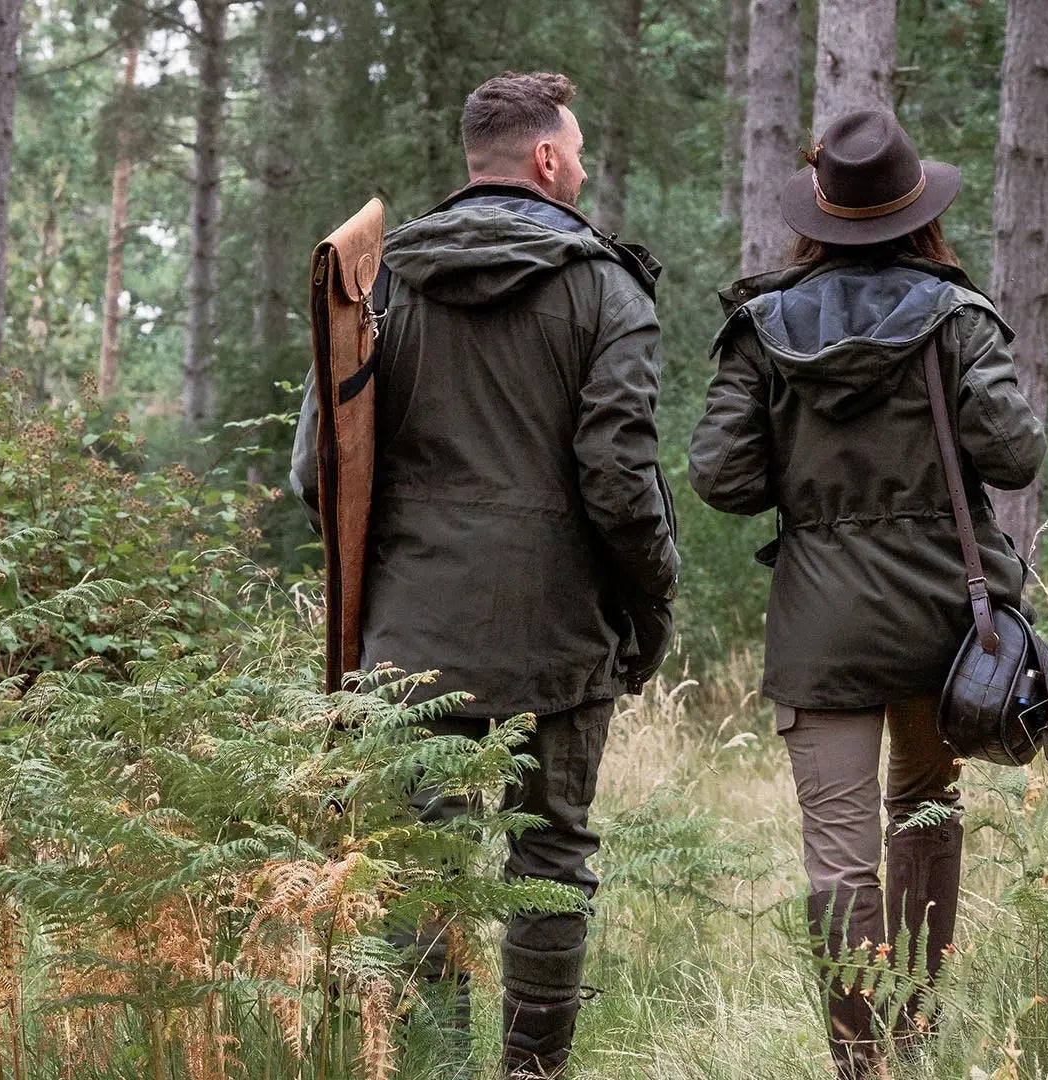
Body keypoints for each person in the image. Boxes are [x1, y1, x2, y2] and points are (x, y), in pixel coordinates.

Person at [290, 71, 677, 1079]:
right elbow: (622, 484)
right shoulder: (607, 290)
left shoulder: (376, 280)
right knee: (551, 860)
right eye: (577, 151)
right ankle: (533, 1073)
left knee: (423, 871)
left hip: (408, 641)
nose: (583, 167)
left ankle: (436, 1070)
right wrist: (649, 608)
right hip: (558, 638)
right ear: (545, 159)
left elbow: (315, 472)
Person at [688, 109, 1045, 1078]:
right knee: (924, 812)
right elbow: (1015, 453)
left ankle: (861, 1065)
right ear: (919, 213)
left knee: (839, 861)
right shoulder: (957, 317)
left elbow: (720, 478)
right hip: (944, 622)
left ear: (822, 213)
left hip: (822, 626)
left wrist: (806, 476)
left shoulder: (761, 327)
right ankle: (918, 1038)